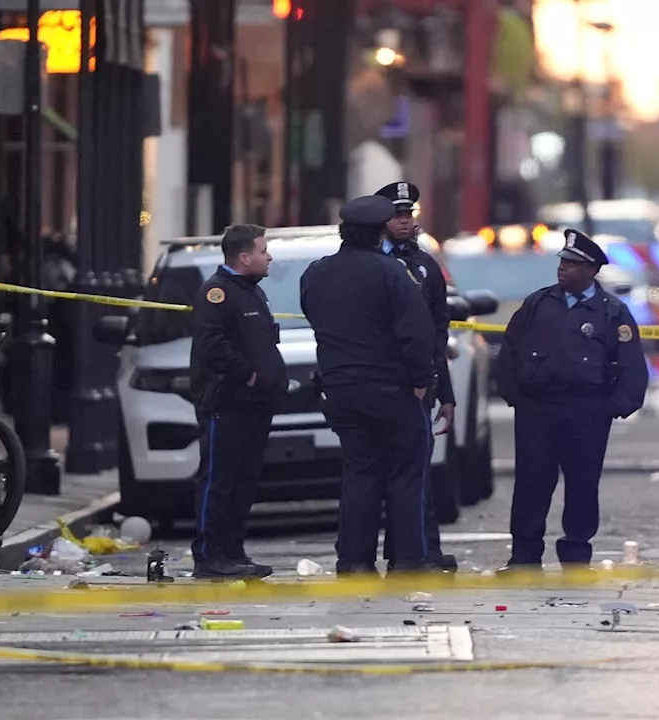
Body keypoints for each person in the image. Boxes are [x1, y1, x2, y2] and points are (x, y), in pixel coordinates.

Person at [494, 228, 650, 571]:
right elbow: (509, 350)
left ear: (592, 270)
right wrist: (515, 395)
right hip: (539, 409)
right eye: (562, 261)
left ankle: (576, 557)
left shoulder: (611, 312)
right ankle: (524, 557)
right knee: (532, 484)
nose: (563, 268)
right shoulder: (538, 304)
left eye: (573, 263)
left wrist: (615, 407)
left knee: (582, 486)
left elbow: (631, 364)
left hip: (587, 411)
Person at [300, 195, 439, 575]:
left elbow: (315, 317)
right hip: (391, 389)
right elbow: (417, 333)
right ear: (380, 234)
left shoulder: (316, 273)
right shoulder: (392, 273)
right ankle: (409, 559)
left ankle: (354, 561)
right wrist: (422, 381)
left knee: (360, 474)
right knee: (406, 475)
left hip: (341, 389)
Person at [188, 224, 288, 579]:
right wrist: (247, 374)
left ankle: (233, 552)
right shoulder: (217, 293)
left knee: (244, 480)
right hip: (228, 403)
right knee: (219, 478)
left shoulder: (250, 292)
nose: (269, 257)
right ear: (244, 257)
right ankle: (209, 555)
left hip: (256, 403)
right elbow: (212, 347)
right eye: (263, 251)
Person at [374, 181, 457, 573]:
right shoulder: (370, 261)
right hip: (380, 382)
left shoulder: (425, 266)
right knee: (382, 475)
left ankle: (424, 550)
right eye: (396, 215)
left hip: (419, 385)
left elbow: (438, 332)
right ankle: (399, 553)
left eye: (408, 215)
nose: (404, 222)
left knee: (418, 473)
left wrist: (447, 392)